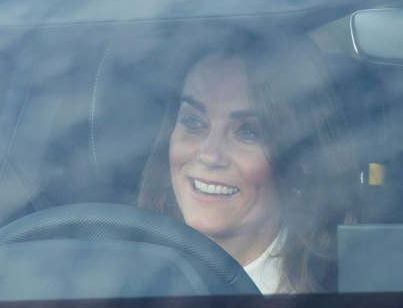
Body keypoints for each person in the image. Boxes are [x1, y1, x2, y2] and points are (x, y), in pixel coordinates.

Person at [137, 33, 359, 294]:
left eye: (248, 132)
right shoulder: (119, 279)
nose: (209, 155)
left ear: (303, 162)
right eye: (193, 122)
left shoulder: (343, 301)